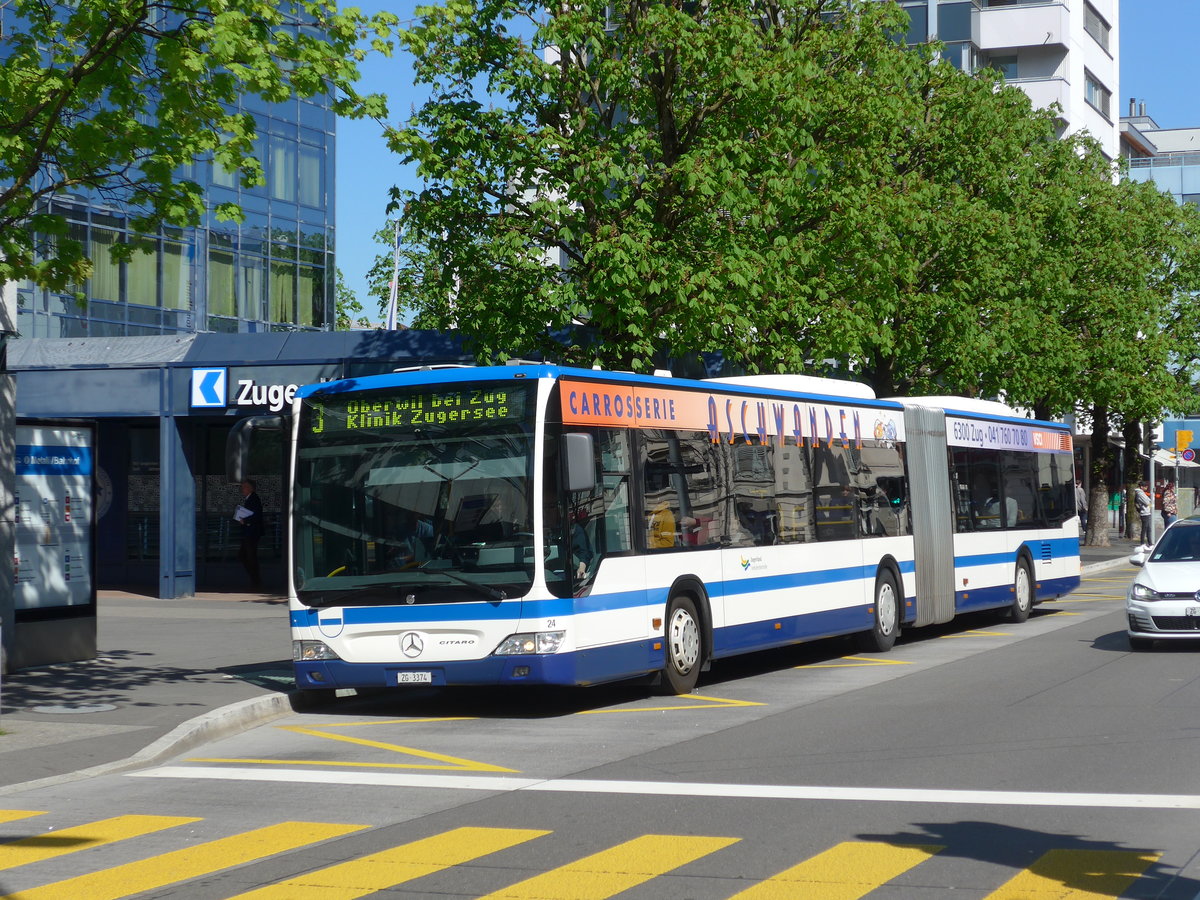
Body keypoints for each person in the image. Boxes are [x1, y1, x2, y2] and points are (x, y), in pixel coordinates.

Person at [235, 478, 264, 591]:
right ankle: (255, 580)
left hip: (252, 533)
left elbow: (257, 515)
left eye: (245, 487)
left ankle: (256, 581)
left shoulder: (254, 499)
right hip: (248, 532)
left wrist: (245, 521)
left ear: (250, 488)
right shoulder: (250, 499)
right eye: (242, 487)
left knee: (249, 557)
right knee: (245, 556)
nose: (243, 489)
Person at [1134, 480, 1153, 547]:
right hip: (1144, 512)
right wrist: (1149, 501)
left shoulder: (1141, 493)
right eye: (1145, 486)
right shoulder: (1140, 493)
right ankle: (1142, 543)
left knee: (1148, 529)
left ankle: (1150, 543)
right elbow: (1147, 502)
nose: (1146, 487)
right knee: (1145, 529)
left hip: (1146, 512)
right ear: (1141, 487)